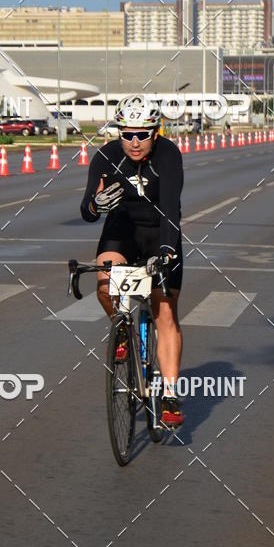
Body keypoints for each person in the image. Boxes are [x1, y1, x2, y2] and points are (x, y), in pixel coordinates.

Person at [80, 95, 184, 427]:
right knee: (103, 283)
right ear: (119, 133)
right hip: (122, 229)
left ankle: (168, 395)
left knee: (164, 311)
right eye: (127, 134)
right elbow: (85, 211)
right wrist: (95, 205)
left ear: (156, 132)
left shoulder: (168, 156)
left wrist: (167, 253)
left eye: (142, 134)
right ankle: (121, 330)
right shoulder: (106, 156)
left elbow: (169, 208)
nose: (134, 142)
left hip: (159, 234)